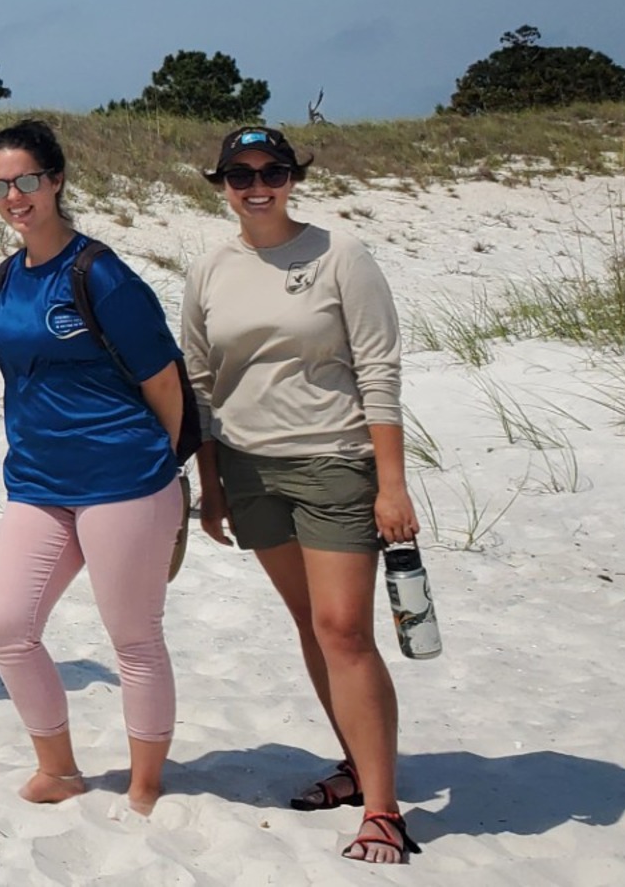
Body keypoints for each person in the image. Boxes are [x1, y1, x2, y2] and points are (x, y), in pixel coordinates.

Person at [180, 125, 422, 864]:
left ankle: (383, 809)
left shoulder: (339, 254)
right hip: (250, 471)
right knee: (311, 625)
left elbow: (379, 369)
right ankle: (356, 765)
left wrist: (392, 484)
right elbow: (201, 384)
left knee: (344, 628)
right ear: (222, 184)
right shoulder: (209, 269)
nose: (257, 186)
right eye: (241, 174)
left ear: (292, 178)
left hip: (335, 462)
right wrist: (212, 486)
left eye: (272, 172)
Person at [0, 119, 187, 814]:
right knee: (8, 624)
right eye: (0, 186)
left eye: (27, 180)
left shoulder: (100, 273)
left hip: (124, 479)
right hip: (38, 481)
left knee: (133, 637)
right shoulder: (4, 278)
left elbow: (164, 382)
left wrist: (162, 472)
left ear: (57, 179)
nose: (15, 197)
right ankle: (60, 768)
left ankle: (146, 781)